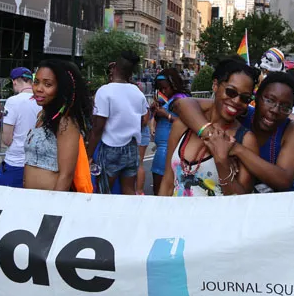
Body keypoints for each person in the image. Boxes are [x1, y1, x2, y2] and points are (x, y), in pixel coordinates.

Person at [175, 71, 294, 193]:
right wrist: (212, 135)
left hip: (278, 204)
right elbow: (183, 104)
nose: (275, 110)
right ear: (256, 97)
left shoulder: (292, 129)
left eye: (285, 107)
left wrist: (236, 149)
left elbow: (283, 181)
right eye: (269, 100)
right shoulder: (240, 112)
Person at [159, 58, 260, 197]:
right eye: (231, 92)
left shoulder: (245, 140)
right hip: (175, 211)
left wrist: (222, 162)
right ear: (215, 86)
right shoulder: (182, 125)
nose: (236, 101)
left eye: (245, 98)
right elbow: (168, 182)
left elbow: (242, 200)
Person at [24, 59, 92, 192]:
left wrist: (54, 204)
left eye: (47, 84)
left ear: (61, 88)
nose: (38, 89)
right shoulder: (41, 116)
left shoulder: (66, 123)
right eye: (36, 82)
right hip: (30, 199)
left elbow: (66, 175)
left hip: (50, 200)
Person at [86, 52, 148, 195]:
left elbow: (98, 128)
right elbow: (143, 120)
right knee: (129, 190)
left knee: (104, 192)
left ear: (114, 68)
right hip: (132, 146)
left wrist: (88, 155)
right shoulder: (137, 92)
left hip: (110, 146)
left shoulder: (104, 91)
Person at [150, 68, 189, 195]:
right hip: (164, 149)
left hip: (167, 150)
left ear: (174, 85)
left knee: (160, 190)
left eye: (165, 88)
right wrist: (155, 112)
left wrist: (166, 114)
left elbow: (188, 122)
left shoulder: (180, 100)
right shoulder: (170, 100)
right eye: (160, 89)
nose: (163, 91)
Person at [0, 67, 39, 188]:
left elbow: (7, 139)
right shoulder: (42, 100)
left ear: (14, 81)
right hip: (37, 163)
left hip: (16, 161)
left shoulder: (13, 101)